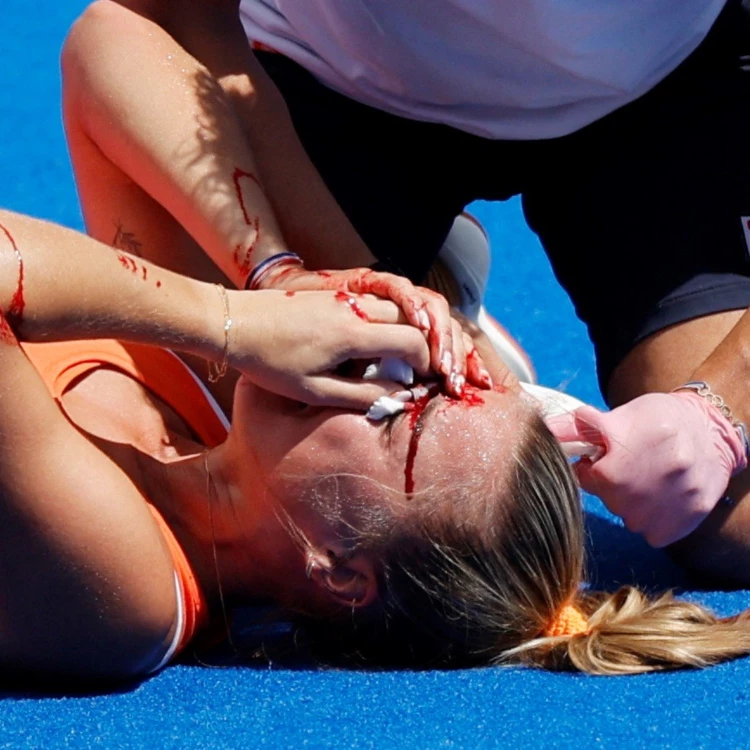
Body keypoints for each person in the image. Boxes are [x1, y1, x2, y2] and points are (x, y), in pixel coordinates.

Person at [60, 0, 750, 579]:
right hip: (336, 79)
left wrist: (724, 405)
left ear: (335, 574)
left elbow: (102, 46)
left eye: (413, 404)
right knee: (276, 401)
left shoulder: (115, 577)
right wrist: (321, 285)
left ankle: (432, 275)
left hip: (666, 80)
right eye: (426, 390)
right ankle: (429, 282)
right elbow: (162, 19)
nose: (403, 380)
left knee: (732, 524)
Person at [4, 207, 750, 683]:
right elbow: (109, 46)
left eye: (399, 414)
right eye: (435, 371)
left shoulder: (124, 590)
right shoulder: (197, 396)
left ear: (339, 570)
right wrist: (289, 277)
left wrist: (233, 319)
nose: (383, 363)